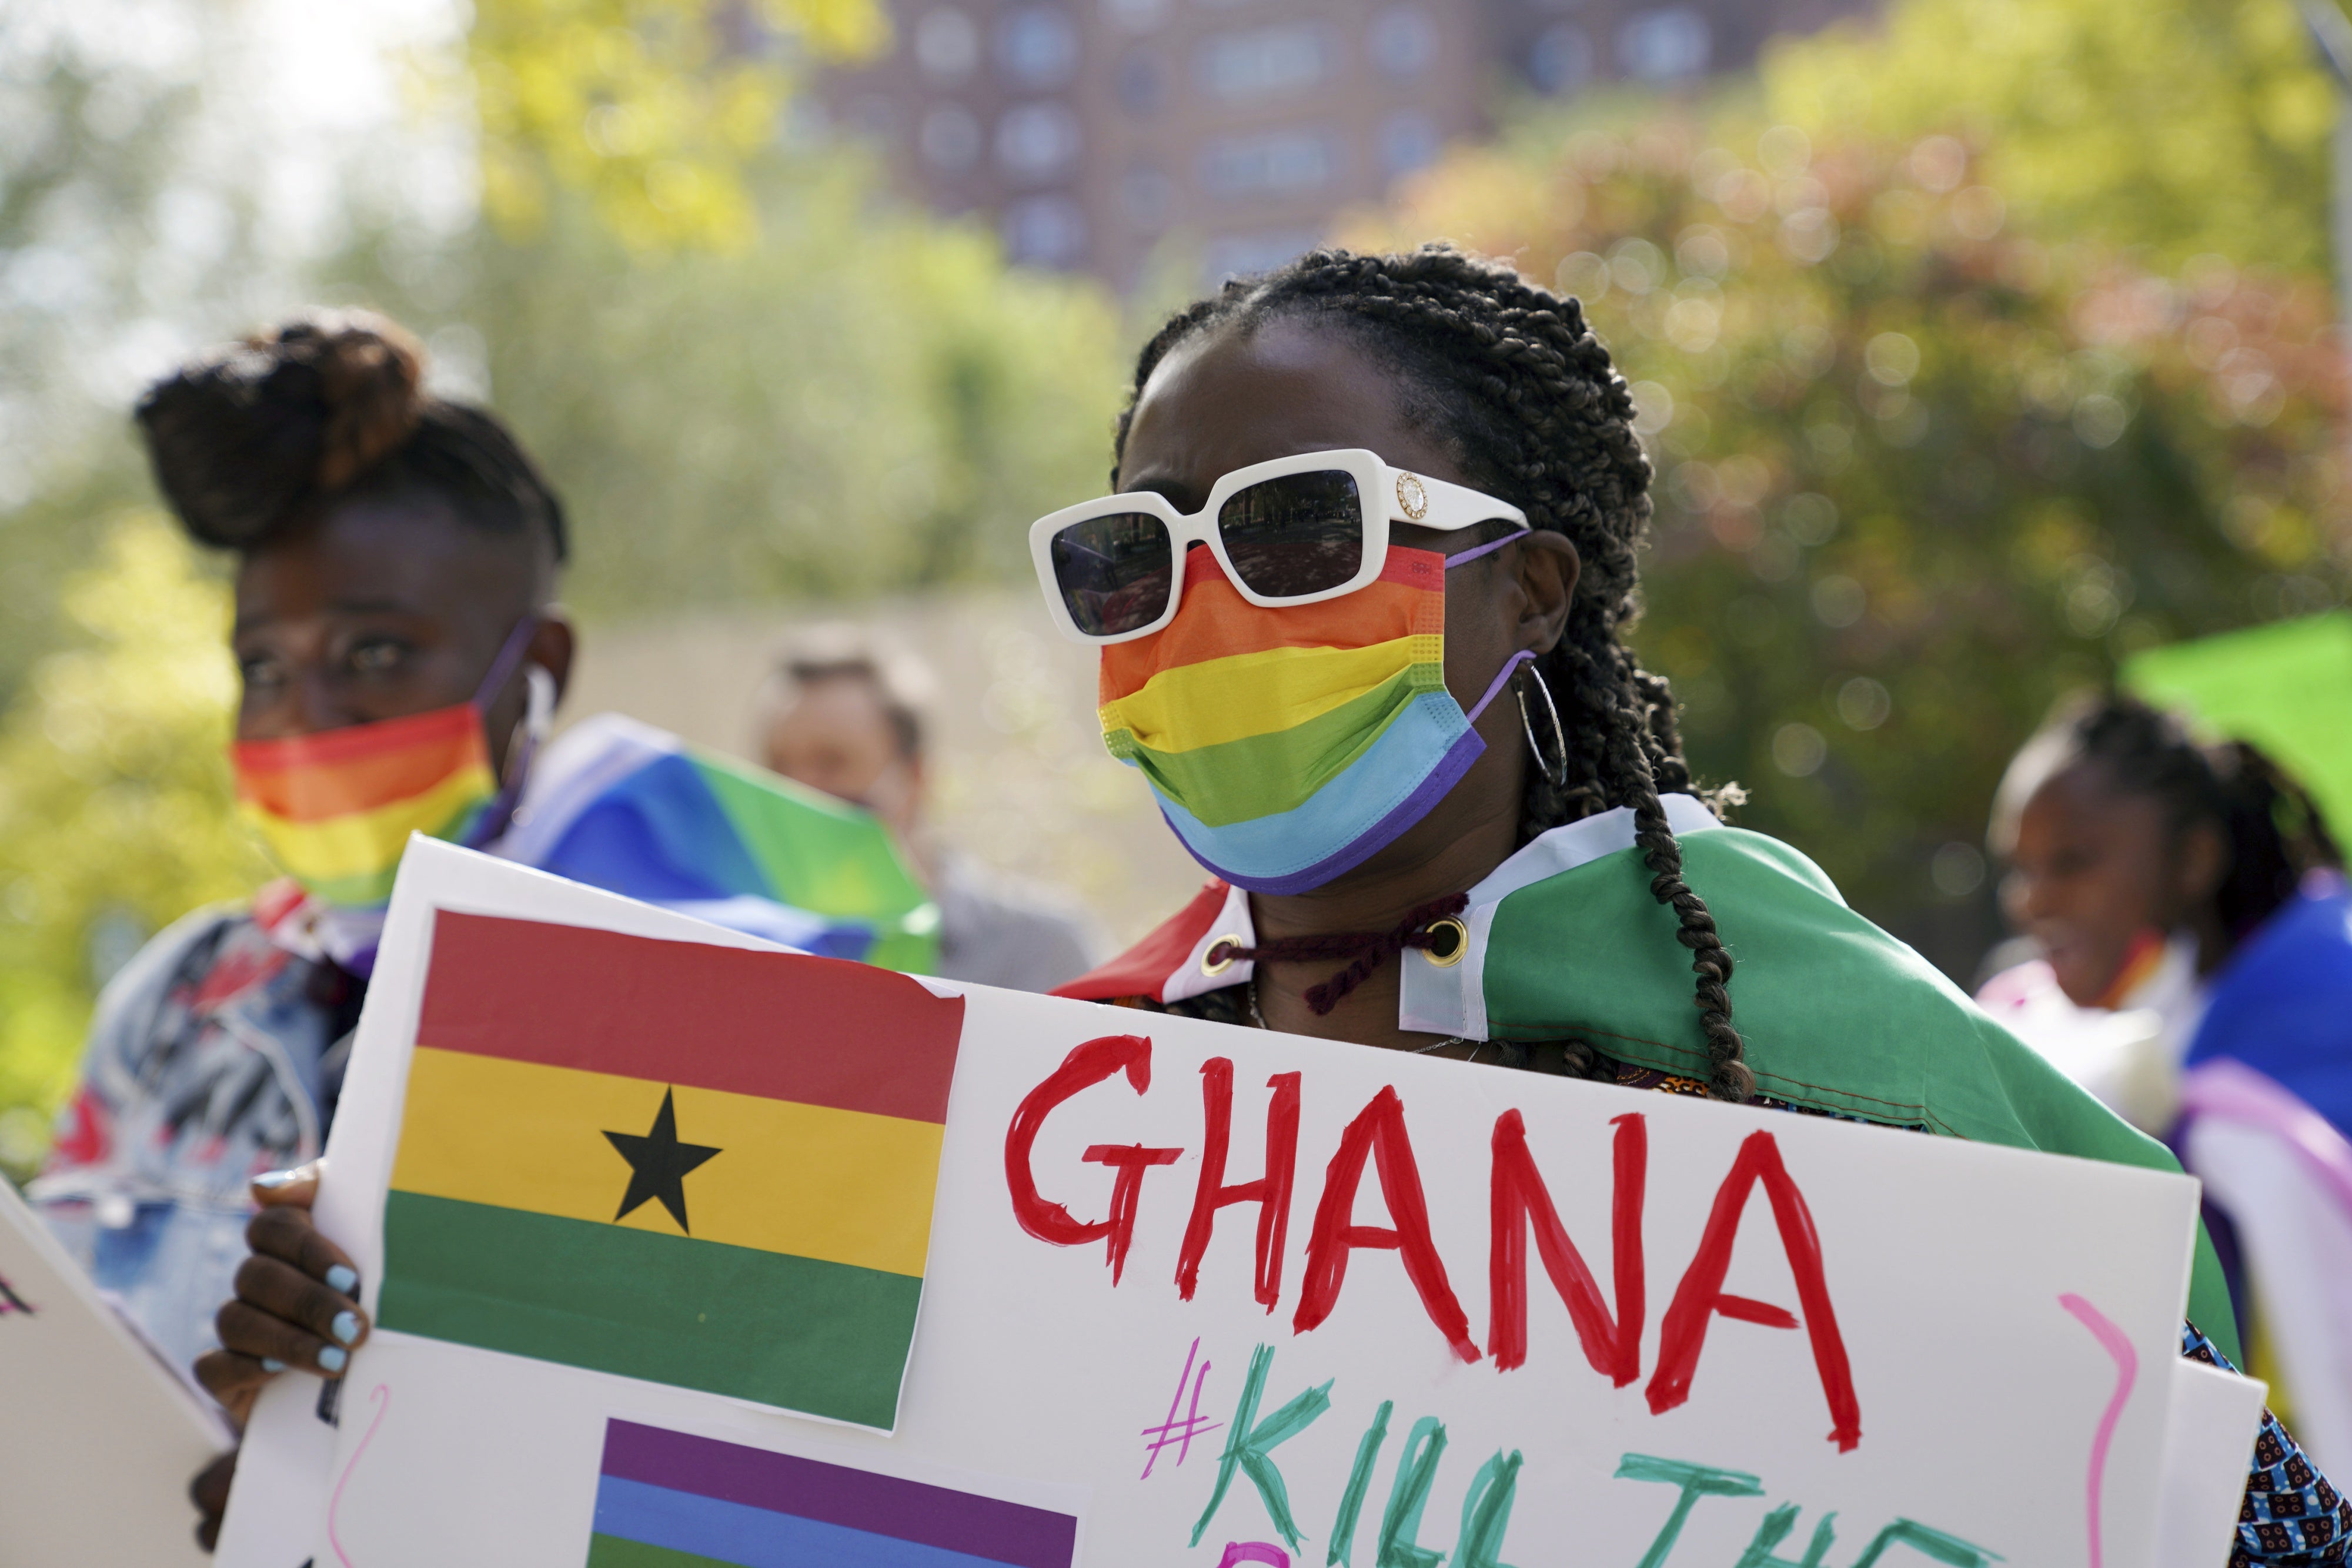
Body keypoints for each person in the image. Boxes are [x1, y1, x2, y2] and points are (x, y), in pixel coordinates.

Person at [196, 248, 2346, 1554]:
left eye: (1298, 529)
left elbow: (2189, 1507)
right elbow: (689, 1472)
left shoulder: (1857, 1077)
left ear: (1521, 587)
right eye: (1136, 555)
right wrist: (365, 1351)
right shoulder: (1045, 1101)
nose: (1204, 607)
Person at [25, 311, 930, 1547]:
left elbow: (793, 1460)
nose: (309, 717)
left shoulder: (719, 998)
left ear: (536, 667)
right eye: (264, 667)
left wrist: (334, 1479)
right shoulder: (177, 998)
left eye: (376, 652)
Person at [1980, 694, 2352, 1141]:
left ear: (2194, 859)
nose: (2030, 901)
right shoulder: (2015, 1015)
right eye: (2019, 869)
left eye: (2072, 862)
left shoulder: (2322, 1015)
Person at [759, 638, 1098, 992]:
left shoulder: (1040, 951)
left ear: (915, 776)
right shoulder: (749, 949)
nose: (796, 791)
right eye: (777, 766)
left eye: (832, 762)